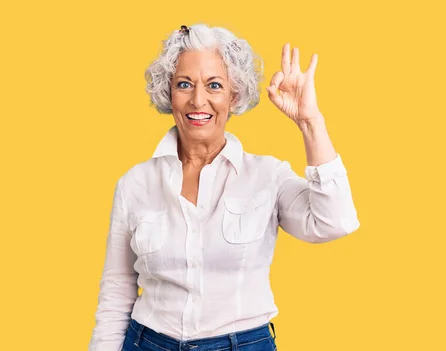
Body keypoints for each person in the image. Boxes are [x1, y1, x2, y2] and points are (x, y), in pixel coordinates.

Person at [89, 23, 360, 351]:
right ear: (169, 92)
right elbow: (117, 291)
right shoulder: (135, 183)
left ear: (234, 96)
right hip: (147, 343)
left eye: (214, 85)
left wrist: (309, 122)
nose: (197, 100)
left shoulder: (267, 176)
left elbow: (335, 221)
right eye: (184, 84)